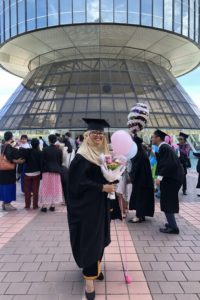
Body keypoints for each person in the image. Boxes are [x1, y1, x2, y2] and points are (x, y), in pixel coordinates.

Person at [67, 118, 116, 300]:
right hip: (86, 209)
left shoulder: (102, 155)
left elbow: (102, 177)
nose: (98, 136)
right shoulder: (81, 157)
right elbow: (77, 184)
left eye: (101, 134)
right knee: (90, 241)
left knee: (100, 238)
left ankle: (95, 268)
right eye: (94, 133)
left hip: (100, 206)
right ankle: (89, 282)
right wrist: (102, 187)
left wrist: (112, 180)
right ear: (87, 136)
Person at [152, 129, 184, 234]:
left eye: (153, 137)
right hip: (173, 178)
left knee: (168, 201)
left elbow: (167, 164)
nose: (152, 138)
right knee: (167, 201)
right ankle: (171, 224)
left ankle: (173, 227)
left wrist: (159, 178)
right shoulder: (164, 147)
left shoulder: (164, 147)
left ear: (158, 138)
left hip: (171, 179)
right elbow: (163, 161)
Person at [128, 136, 155, 223]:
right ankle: (141, 215)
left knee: (139, 197)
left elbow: (136, 168)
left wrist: (130, 177)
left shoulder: (138, 154)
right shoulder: (142, 152)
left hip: (141, 181)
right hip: (144, 180)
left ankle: (138, 216)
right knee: (142, 197)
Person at [0, 131, 24, 211]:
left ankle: (4, 203)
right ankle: (7, 204)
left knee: (4, 186)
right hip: (8, 171)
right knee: (9, 186)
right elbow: (9, 157)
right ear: (11, 137)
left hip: (3, 171)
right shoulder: (8, 146)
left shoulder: (3, 146)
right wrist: (17, 161)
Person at [39, 134, 63, 212]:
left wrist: (41, 171)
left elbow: (42, 161)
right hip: (56, 171)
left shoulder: (45, 149)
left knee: (46, 187)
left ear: (49, 140)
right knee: (54, 187)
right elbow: (60, 162)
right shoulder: (59, 150)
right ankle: (53, 205)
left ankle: (45, 206)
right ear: (55, 140)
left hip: (46, 171)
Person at [20, 138, 42, 210]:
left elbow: (20, 150)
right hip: (37, 173)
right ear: (38, 144)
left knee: (27, 190)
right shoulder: (40, 153)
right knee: (35, 190)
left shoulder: (27, 151)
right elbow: (41, 164)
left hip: (27, 173)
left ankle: (27, 205)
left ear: (31, 144)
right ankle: (35, 205)